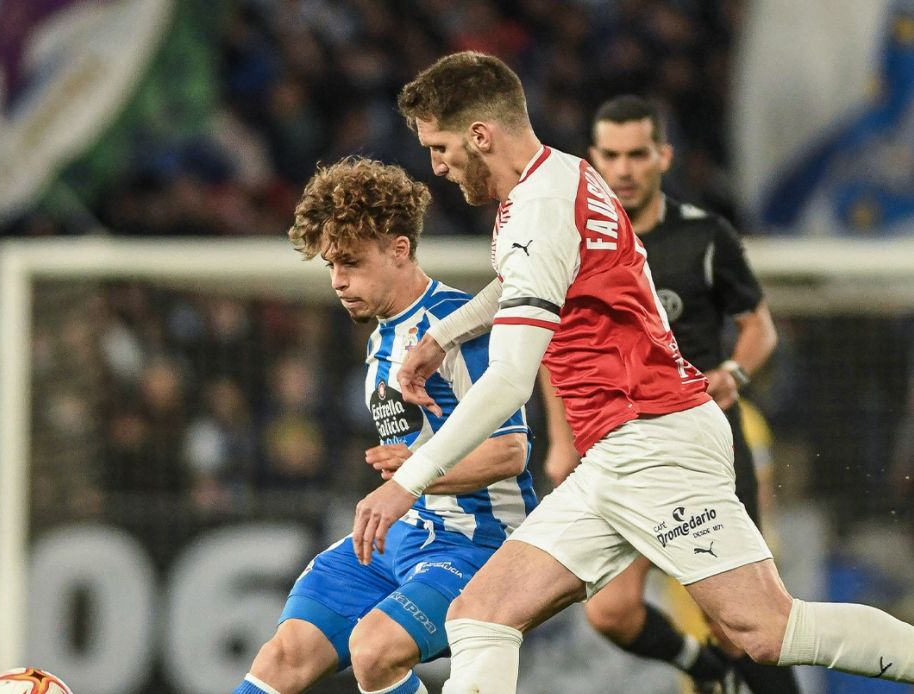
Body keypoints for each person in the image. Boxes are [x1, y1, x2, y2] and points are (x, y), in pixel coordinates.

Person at [350, 51, 914, 693]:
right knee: (481, 615)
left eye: (440, 147)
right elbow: (527, 279)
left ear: (480, 135)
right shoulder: (565, 175)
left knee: (765, 630)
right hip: (618, 452)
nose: (437, 166)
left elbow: (508, 381)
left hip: (654, 441)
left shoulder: (537, 211)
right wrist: (446, 334)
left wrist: (409, 483)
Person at [234, 156, 537, 694]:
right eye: (331, 265)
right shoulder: (382, 336)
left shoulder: (456, 328)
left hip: (475, 542)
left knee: (373, 650)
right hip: (404, 534)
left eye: (350, 262)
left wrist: (414, 475)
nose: (338, 281)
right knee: (285, 655)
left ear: (399, 249)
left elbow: (511, 452)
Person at [536, 94, 801, 694]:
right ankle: (709, 674)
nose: (624, 169)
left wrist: (734, 371)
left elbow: (759, 327)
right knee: (612, 612)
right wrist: (560, 441)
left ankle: (737, 669)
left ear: (664, 156)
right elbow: (553, 346)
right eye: (612, 156)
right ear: (593, 158)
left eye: (637, 154)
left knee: (742, 625)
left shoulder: (704, 236)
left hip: (702, 442)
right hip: (623, 448)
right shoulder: (575, 244)